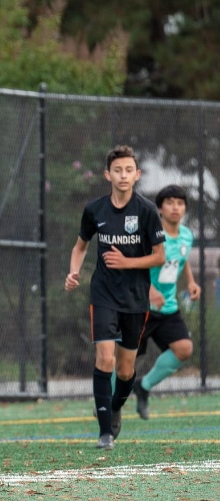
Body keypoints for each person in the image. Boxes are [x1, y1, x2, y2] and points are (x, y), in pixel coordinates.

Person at [64, 145, 165, 450]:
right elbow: (80, 246)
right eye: (117, 170)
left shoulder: (146, 211)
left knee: (125, 370)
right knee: (105, 359)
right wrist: (74, 272)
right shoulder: (95, 209)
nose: (123, 175)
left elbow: (159, 257)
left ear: (137, 175)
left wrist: (128, 263)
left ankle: (117, 405)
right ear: (108, 174)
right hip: (103, 293)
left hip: (135, 298)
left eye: (128, 170)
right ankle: (105, 431)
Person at [134, 184, 201, 419]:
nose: (176, 207)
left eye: (180, 203)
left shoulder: (186, 235)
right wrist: (150, 289)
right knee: (125, 357)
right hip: (140, 306)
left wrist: (191, 283)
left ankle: (143, 386)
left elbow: (182, 260)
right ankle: (107, 401)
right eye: (170, 203)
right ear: (160, 208)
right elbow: (134, 266)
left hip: (168, 308)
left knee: (184, 349)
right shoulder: (151, 233)